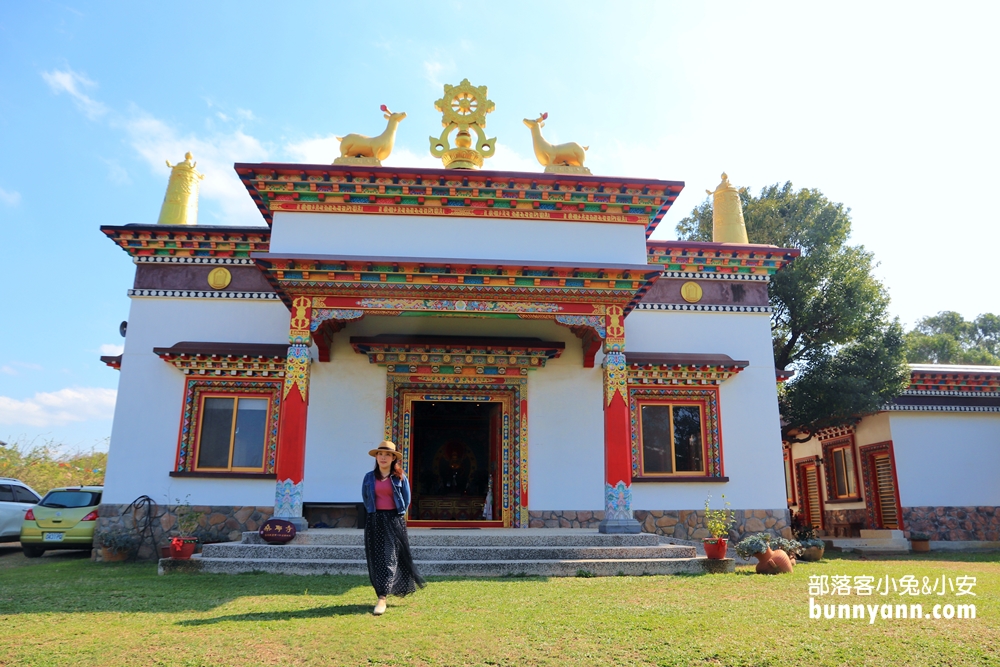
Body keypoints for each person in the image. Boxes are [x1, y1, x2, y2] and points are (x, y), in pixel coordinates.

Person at [361, 440, 425, 615]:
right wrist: (373, 514)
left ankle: (382, 597)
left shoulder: (400, 478)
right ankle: (381, 591)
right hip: (374, 519)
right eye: (380, 454)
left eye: (387, 454)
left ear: (393, 458)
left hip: (393, 520)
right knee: (376, 557)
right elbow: (366, 498)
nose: (383, 457)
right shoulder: (368, 477)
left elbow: (407, 499)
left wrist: (397, 515)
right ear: (376, 457)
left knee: (390, 556)